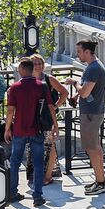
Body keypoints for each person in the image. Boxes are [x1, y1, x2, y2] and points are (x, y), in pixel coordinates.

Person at [5, 57, 48, 208]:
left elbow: (11, 111)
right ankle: (37, 195)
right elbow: (50, 107)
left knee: (15, 161)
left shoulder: (15, 88)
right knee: (38, 163)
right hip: (37, 129)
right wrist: (55, 126)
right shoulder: (41, 86)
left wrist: (7, 129)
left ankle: (12, 192)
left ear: (23, 70)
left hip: (19, 130)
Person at [75, 40, 105, 196]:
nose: (78, 54)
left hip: (91, 114)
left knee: (92, 148)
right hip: (93, 112)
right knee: (95, 148)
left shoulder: (93, 69)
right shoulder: (94, 67)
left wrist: (74, 83)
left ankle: (101, 183)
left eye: (79, 52)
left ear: (87, 52)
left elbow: (85, 93)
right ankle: (100, 180)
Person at [30, 54, 68, 186]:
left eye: (40, 63)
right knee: (35, 146)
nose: (38, 66)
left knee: (49, 145)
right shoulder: (29, 79)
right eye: (35, 63)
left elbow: (65, 92)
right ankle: (36, 174)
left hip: (47, 117)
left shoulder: (49, 79)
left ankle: (48, 175)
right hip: (33, 118)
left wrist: (56, 106)